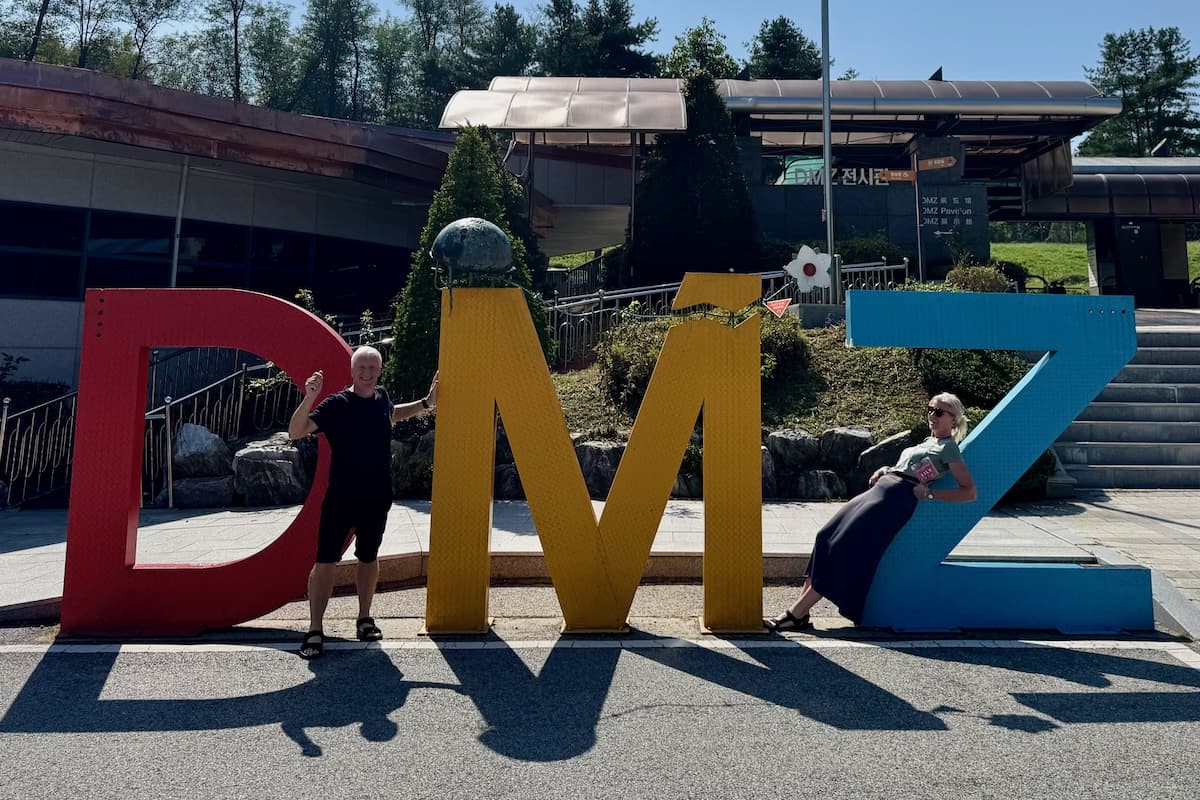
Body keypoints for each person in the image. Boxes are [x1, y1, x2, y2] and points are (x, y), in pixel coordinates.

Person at [765, 392, 977, 632]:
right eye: (930, 409)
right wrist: (887, 468)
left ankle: (795, 614)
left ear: (954, 419)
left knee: (843, 548)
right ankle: (800, 613)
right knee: (826, 536)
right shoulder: (928, 442)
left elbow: (969, 492)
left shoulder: (949, 448)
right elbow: (910, 467)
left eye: (939, 412)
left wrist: (929, 494)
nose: (932, 415)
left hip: (894, 500)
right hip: (881, 491)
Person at [288, 346, 437, 659]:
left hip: (377, 495)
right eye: (362, 369)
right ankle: (315, 629)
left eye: (373, 368)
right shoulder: (337, 405)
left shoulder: (381, 396)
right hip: (341, 496)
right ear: (352, 371)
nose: (367, 374)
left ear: (379, 370)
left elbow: (393, 413)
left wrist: (426, 403)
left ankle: (364, 618)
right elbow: (295, 432)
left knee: (369, 557)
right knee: (326, 561)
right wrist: (310, 397)